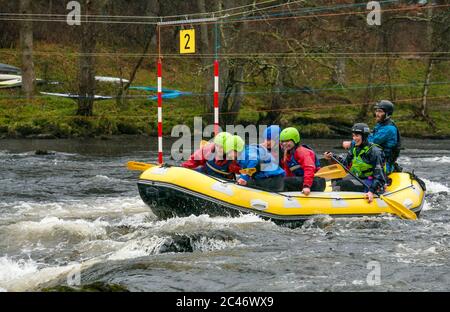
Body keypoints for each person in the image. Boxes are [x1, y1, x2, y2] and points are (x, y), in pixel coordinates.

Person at [324, 123, 386, 203]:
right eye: (353, 136)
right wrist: (333, 157)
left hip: (371, 183)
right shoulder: (355, 148)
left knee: (343, 184)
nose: (354, 138)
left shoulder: (375, 152)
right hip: (359, 179)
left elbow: (380, 177)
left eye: (357, 136)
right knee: (335, 178)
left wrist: (371, 191)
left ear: (364, 136)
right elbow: (346, 165)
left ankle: (337, 202)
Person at [343, 100, 401, 174]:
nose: (377, 114)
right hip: (373, 160)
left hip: (384, 164)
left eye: (380, 111)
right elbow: (368, 136)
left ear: (387, 113)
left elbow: (370, 142)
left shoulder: (389, 129)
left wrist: (351, 143)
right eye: (376, 111)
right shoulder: (381, 125)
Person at [279, 127, 326, 195]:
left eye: (287, 141)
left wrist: (306, 186)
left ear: (295, 140)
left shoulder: (302, 152)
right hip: (302, 180)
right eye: (282, 141)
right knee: (281, 180)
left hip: (316, 181)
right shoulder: (287, 154)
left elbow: (309, 168)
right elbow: (287, 173)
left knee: (284, 181)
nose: (284, 144)